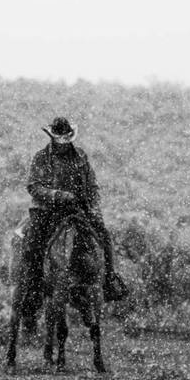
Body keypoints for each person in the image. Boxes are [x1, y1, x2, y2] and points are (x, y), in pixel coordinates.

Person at [18, 117, 123, 321]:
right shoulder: (41, 158)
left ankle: (110, 280)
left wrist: (93, 205)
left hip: (78, 208)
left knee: (104, 236)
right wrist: (59, 195)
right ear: (53, 137)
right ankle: (33, 289)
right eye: (60, 138)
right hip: (48, 209)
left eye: (66, 138)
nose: (64, 142)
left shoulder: (81, 156)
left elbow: (92, 184)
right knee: (33, 244)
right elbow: (33, 186)